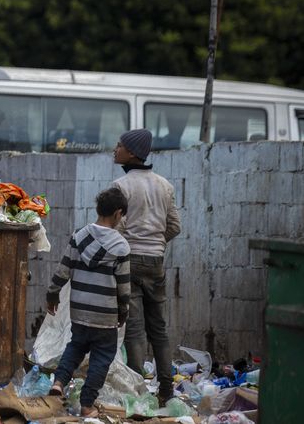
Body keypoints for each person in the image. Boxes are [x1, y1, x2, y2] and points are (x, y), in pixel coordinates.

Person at [46, 187, 131, 418]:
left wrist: (52, 293)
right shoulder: (121, 247)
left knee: (76, 346)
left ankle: (59, 383)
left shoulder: (79, 236)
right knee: (102, 357)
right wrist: (123, 310)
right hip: (104, 314)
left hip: (80, 311)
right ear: (118, 213)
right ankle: (86, 404)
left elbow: (63, 269)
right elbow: (123, 286)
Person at [112, 128, 181, 405]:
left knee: (134, 329)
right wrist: (157, 244)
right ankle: (166, 390)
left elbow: (116, 227)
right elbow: (174, 226)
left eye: (120, 145)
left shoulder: (121, 186)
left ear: (132, 153)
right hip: (156, 263)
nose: (115, 149)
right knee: (159, 328)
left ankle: (139, 392)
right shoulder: (164, 185)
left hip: (130, 261)